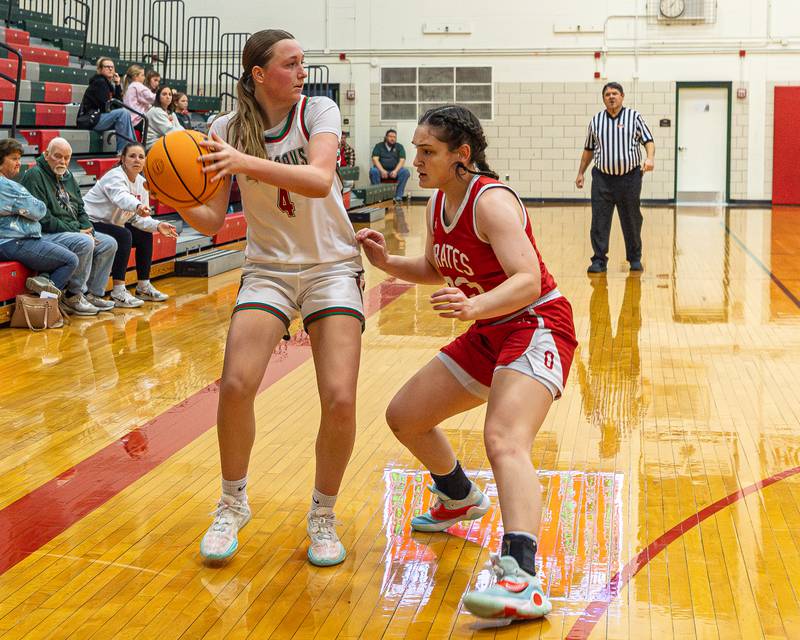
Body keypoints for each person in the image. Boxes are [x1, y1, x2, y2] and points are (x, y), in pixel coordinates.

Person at [356, 105, 578, 621]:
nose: (417, 159)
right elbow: (438, 268)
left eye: (427, 151)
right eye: (415, 149)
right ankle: (458, 496)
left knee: (503, 438)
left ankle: (523, 578)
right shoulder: (438, 203)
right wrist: (387, 262)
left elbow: (526, 278)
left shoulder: (492, 201)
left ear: (463, 155)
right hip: (490, 330)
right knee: (405, 415)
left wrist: (475, 305)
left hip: (535, 323)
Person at [171, 29, 365, 568]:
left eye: (304, 62)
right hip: (268, 270)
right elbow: (210, 219)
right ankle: (232, 503)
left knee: (341, 397)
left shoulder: (318, 110)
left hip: (331, 266)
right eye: (291, 63)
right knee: (234, 384)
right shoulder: (223, 129)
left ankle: (323, 514)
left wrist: (241, 162)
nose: (303, 71)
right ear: (259, 75)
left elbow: (319, 179)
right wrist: (171, 193)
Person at [20, 138, 117, 316]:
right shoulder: (35, 175)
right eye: (58, 156)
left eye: (66, 158)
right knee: (85, 242)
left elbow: (80, 208)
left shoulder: (68, 176)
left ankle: (92, 294)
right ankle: (73, 295)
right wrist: (77, 231)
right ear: (46, 155)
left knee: (109, 243)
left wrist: (88, 228)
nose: (63, 162)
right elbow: (42, 217)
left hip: (71, 231)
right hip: (45, 234)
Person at [84, 142, 177, 307]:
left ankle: (143, 286)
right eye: (132, 156)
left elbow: (139, 220)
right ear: (123, 159)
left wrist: (157, 225)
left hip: (112, 224)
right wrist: (137, 206)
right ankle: (118, 291)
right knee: (124, 235)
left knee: (143, 234)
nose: (137, 160)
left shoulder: (142, 183)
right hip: (89, 222)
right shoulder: (115, 176)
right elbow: (120, 197)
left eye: (141, 157)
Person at [575, 82, 655, 273]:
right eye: (607, 94)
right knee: (599, 220)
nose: (611, 97)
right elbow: (588, 150)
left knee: (631, 218)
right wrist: (580, 173)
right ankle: (599, 260)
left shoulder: (634, 117)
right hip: (602, 179)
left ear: (622, 96)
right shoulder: (596, 121)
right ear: (603, 98)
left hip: (630, 178)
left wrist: (650, 158)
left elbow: (648, 141)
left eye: (615, 93)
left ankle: (635, 258)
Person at [0, 139, 78, 297]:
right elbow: (39, 210)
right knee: (70, 260)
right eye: (14, 158)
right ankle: (41, 305)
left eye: (19, 159)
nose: (18, 163)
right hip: (12, 241)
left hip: (15, 241)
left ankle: (44, 285)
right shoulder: (6, 186)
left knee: (63, 251)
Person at [77, 57, 136, 153]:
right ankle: (124, 151)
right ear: (99, 70)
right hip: (91, 119)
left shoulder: (108, 84)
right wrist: (116, 107)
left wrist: (117, 85)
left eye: (112, 67)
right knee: (123, 113)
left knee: (125, 114)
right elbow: (106, 106)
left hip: (99, 117)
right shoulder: (99, 82)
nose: (110, 69)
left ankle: (132, 149)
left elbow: (118, 104)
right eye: (107, 67)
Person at [370, 129, 410, 202]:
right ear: (386, 137)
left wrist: (395, 171)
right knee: (373, 171)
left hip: (394, 170)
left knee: (405, 172)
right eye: (390, 136)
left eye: (394, 137)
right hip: (381, 170)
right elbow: (375, 159)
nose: (392, 139)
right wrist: (382, 171)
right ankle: (379, 196)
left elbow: (402, 160)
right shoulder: (379, 146)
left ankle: (398, 196)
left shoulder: (399, 146)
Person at [145, 85, 184, 150]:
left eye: (170, 94)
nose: (168, 97)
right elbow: (170, 131)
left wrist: (186, 133)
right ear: (158, 97)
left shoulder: (171, 113)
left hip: (164, 142)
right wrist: (186, 135)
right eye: (164, 94)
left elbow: (179, 127)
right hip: (152, 145)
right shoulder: (155, 111)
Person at [122, 64, 155, 128]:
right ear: (135, 76)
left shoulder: (130, 86)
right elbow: (152, 98)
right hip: (137, 120)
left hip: (130, 120)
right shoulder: (137, 85)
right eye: (142, 75)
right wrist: (163, 93)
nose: (144, 77)